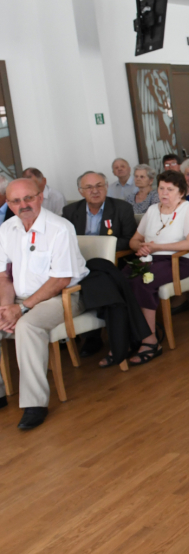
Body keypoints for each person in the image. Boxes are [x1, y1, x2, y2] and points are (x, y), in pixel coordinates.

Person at [0, 178, 88, 429]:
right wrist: (6, 308)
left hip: (62, 296)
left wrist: (22, 308)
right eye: (16, 201)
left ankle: (34, 404)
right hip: (17, 298)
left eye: (28, 198)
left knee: (27, 326)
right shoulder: (7, 229)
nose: (23, 204)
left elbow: (60, 278)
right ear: (8, 203)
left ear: (40, 197)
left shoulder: (59, 228)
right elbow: (3, 275)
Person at [124, 171, 189, 365]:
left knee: (143, 282)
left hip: (177, 261)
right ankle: (130, 336)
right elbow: (134, 240)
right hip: (149, 259)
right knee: (121, 280)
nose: (164, 193)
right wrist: (138, 247)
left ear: (181, 192)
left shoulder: (186, 209)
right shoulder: (152, 210)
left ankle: (150, 340)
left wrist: (158, 247)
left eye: (170, 189)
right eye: (161, 188)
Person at [62, 170, 138, 358]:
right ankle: (87, 334)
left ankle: (103, 336)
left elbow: (129, 240)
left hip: (113, 263)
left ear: (106, 187)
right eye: (89, 187)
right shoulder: (70, 212)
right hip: (81, 264)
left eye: (99, 186)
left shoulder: (122, 208)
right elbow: (64, 243)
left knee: (96, 282)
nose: (94, 191)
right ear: (81, 191)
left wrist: (100, 248)